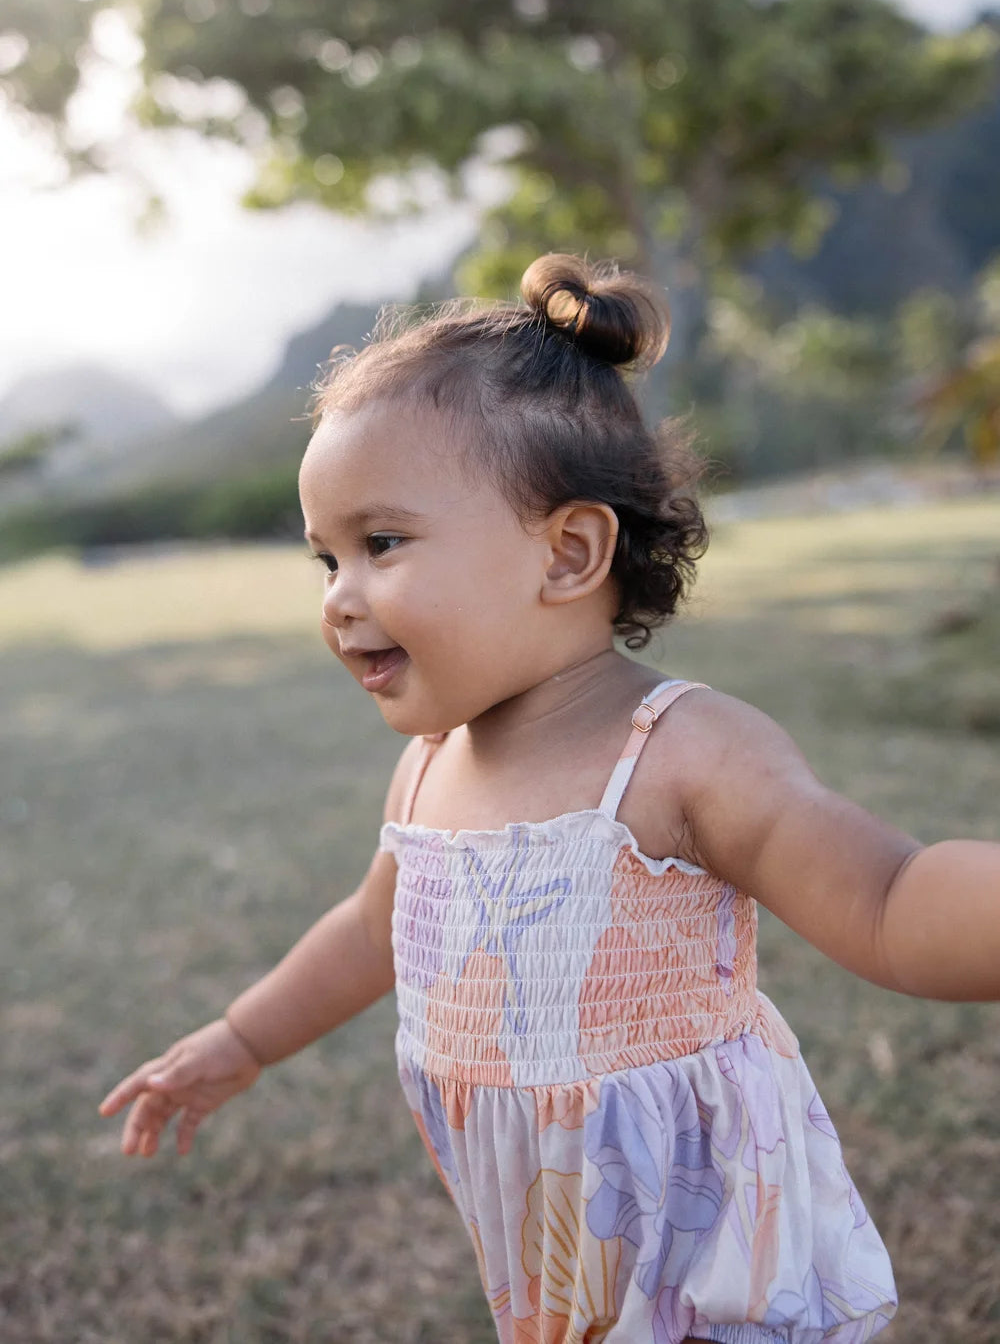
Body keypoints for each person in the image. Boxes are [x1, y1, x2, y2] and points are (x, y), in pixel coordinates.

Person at [100, 254, 1000, 1344]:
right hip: (555, 1258)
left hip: (710, 1257)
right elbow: (374, 928)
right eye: (324, 559)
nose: (340, 600)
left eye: (380, 544)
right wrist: (241, 1041)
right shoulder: (430, 766)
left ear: (568, 552)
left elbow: (892, 898)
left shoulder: (677, 754)